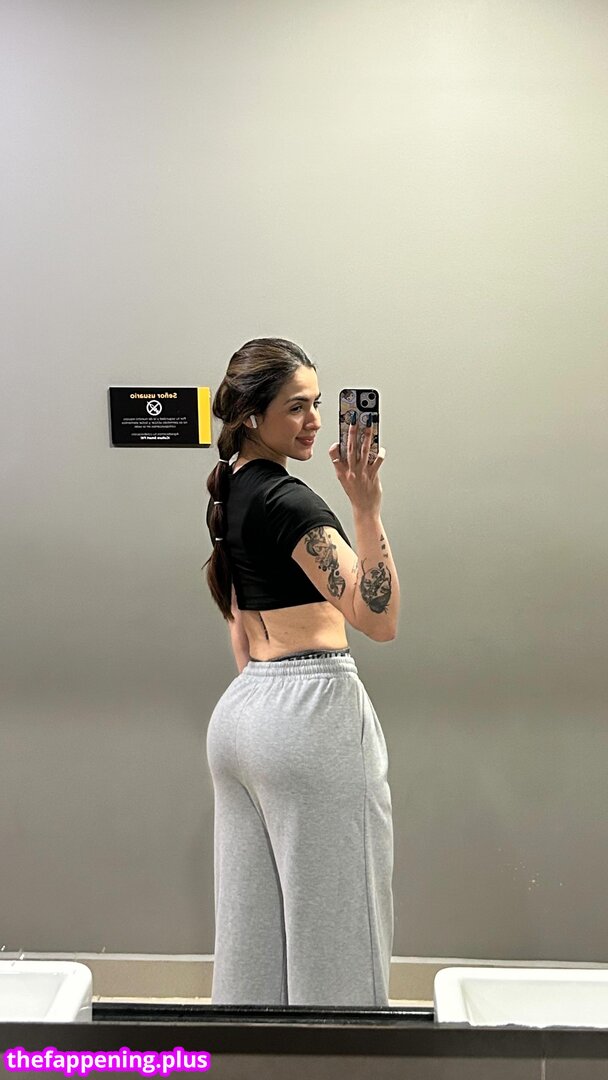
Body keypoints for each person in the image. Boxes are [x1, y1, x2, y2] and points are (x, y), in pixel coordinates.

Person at [203, 337, 400, 1006]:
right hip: (311, 716)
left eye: (318, 403)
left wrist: (268, 723)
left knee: (253, 949)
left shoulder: (231, 489)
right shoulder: (290, 503)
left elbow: (238, 622)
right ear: (252, 415)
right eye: (296, 407)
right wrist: (366, 507)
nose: (315, 420)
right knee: (341, 946)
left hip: (243, 718)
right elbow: (377, 617)